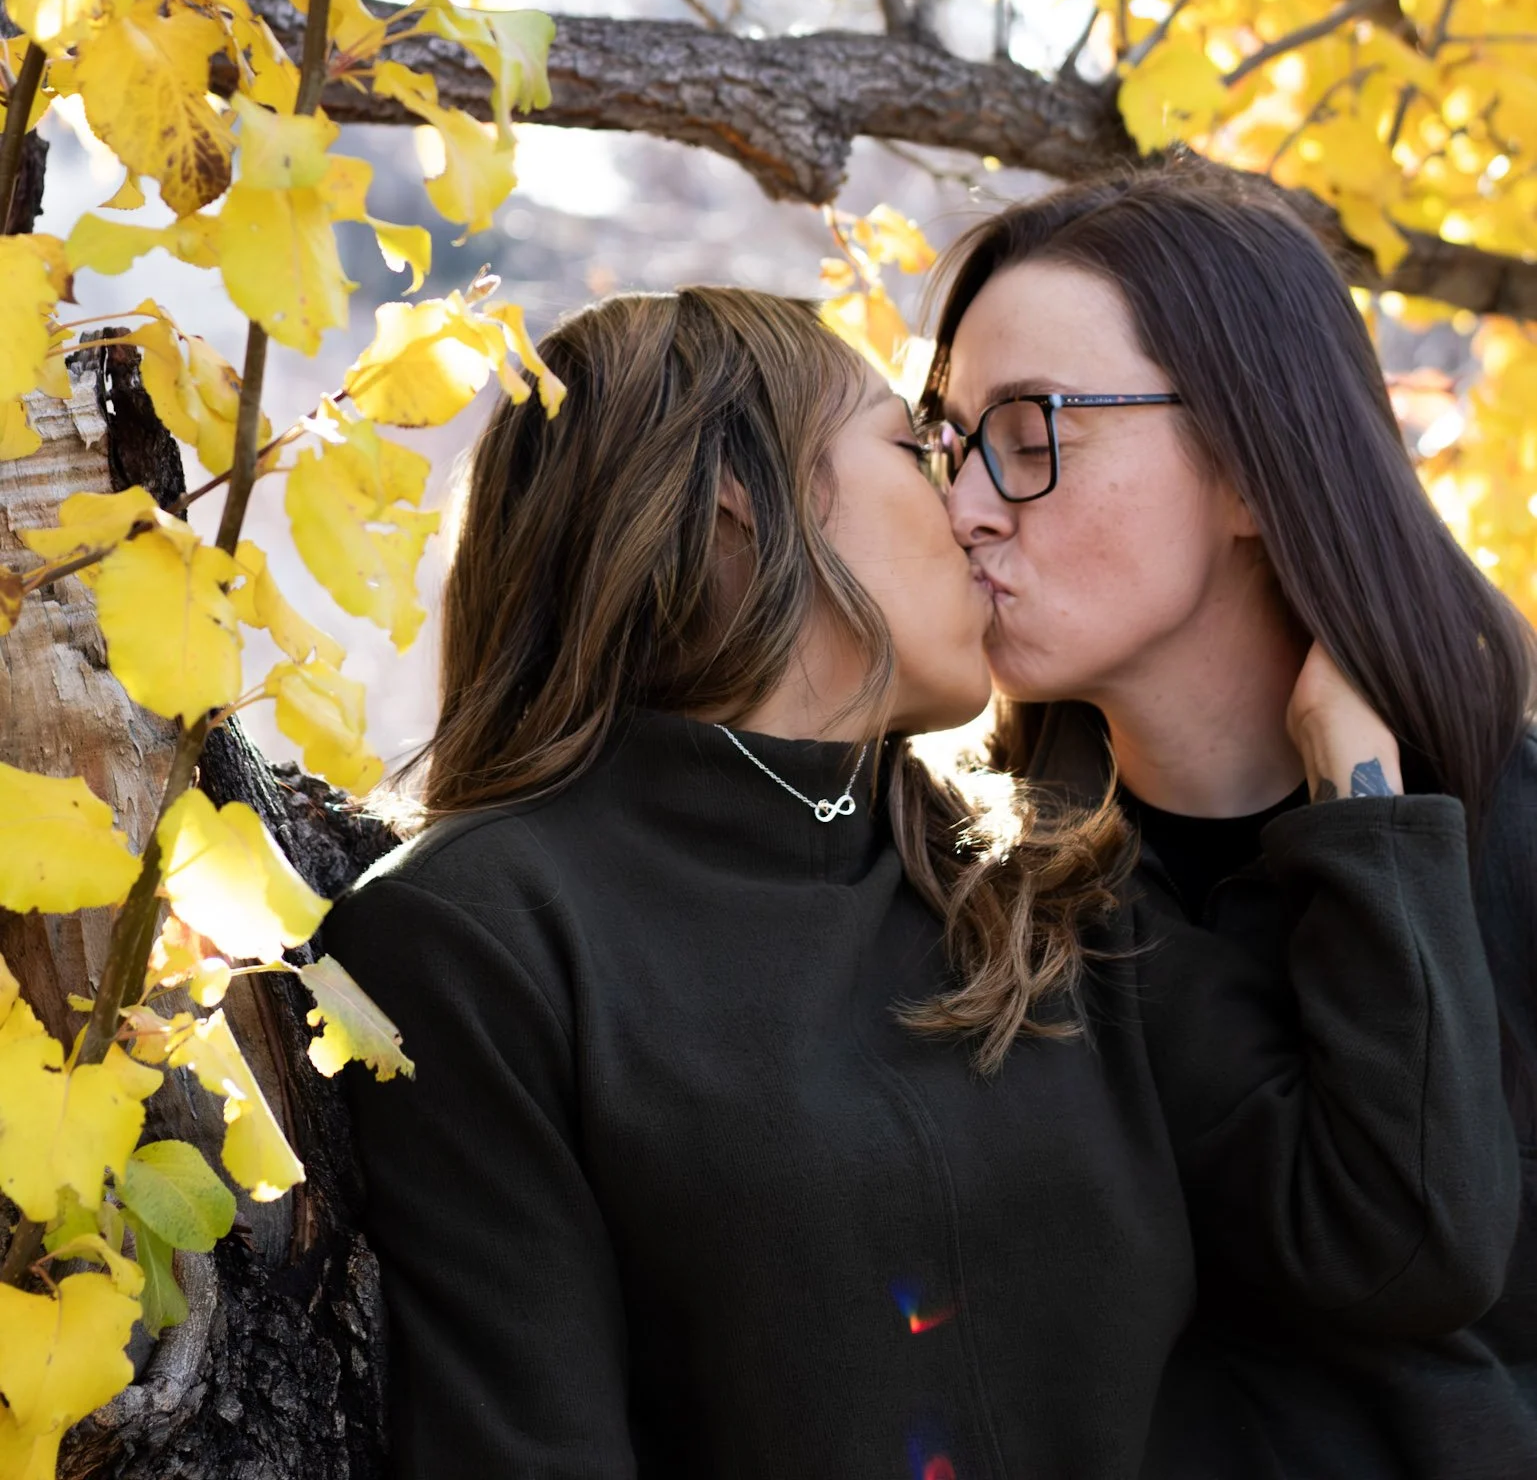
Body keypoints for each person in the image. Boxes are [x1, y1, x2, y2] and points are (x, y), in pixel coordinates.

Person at [326, 284, 1513, 1480]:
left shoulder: (1025, 881)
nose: (968, 510)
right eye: (918, 448)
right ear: (740, 502)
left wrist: (1360, 793)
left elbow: (1401, 1239)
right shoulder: (472, 936)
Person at [921, 155, 1537, 1478]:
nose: (966, 506)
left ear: (1255, 469)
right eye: (951, 442)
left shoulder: (1515, 840)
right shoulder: (987, 910)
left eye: (1029, 439)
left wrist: (1364, 805)